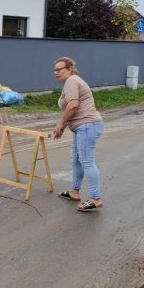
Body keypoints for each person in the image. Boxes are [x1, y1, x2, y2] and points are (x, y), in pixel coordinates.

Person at [52, 57, 104, 212]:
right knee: (76, 161)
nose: (56, 73)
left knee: (87, 162)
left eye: (59, 69)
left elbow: (73, 105)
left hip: (88, 126)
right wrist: (63, 126)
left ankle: (95, 198)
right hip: (82, 127)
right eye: (54, 70)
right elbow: (72, 109)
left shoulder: (72, 81)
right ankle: (74, 191)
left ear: (69, 68)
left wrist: (60, 124)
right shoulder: (70, 82)